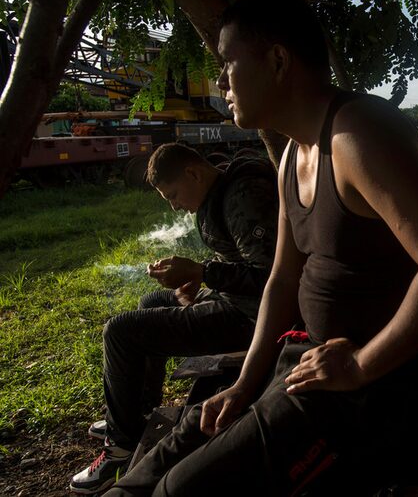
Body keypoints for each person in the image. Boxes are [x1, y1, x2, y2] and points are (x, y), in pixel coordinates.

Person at [104, 0, 418, 496]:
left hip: (370, 395)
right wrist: (244, 385)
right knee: (171, 450)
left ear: (278, 60)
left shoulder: (357, 135)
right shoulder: (292, 156)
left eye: (228, 62)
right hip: (309, 365)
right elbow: (283, 279)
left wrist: (360, 364)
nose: (221, 80)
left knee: (180, 490)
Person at [70, 143, 278, 495]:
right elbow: (235, 260)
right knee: (151, 301)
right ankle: (136, 413)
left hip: (252, 317)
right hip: (233, 299)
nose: (175, 206)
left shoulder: (244, 197)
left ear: (193, 173)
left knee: (120, 332)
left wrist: (203, 272)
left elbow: (270, 277)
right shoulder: (219, 187)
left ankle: (120, 449)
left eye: (173, 195)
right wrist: (194, 278)